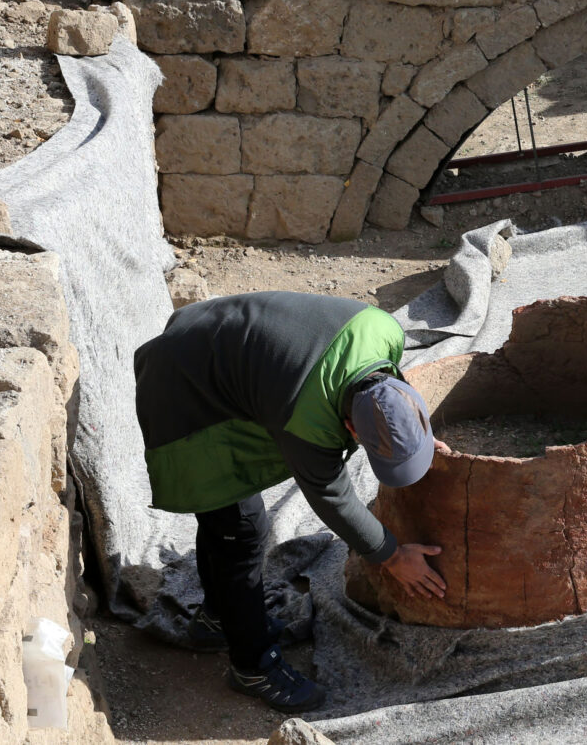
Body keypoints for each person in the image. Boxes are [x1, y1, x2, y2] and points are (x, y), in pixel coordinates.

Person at [133, 290, 448, 713]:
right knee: (238, 528)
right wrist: (390, 555)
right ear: (350, 427)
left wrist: (418, 440)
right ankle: (252, 667)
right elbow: (332, 497)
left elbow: (394, 401)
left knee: (233, 523)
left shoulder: (384, 331)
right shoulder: (309, 416)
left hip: (216, 336)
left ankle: (218, 619)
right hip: (185, 386)